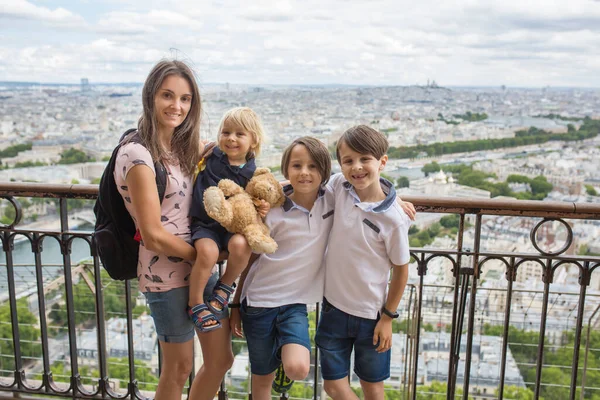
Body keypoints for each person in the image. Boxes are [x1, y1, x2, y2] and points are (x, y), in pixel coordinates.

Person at [229, 136, 416, 400]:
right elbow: (251, 260)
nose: (305, 173)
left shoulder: (332, 195)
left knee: (298, 367)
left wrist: (396, 200)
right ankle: (279, 357)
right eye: (296, 166)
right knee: (261, 380)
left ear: (325, 172)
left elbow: (369, 188)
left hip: (297, 303)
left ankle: (284, 356)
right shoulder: (271, 209)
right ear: (286, 170)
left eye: (313, 167)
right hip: (259, 301)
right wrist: (236, 304)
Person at [115, 59, 232, 400]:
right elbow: (152, 234)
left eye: (185, 99)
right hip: (164, 274)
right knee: (178, 368)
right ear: (150, 96)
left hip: (199, 268)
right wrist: (208, 255)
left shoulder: (183, 148)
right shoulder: (137, 154)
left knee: (221, 359)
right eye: (168, 95)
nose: (176, 106)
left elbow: (243, 170)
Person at [315, 125, 411, 400]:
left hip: (373, 316)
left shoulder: (393, 218)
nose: (356, 167)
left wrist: (388, 317)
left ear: (382, 162)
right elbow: (303, 184)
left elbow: (401, 271)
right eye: (348, 160)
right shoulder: (339, 186)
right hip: (334, 309)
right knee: (333, 386)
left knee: (373, 390)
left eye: (364, 159)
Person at [188, 107, 266, 332]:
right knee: (208, 252)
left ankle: (225, 284)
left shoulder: (253, 173)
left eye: (239, 134)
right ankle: (195, 302)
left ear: (253, 140)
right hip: (205, 223)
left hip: (232, 227)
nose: (231, 138)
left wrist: (263, 205)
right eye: (226, 132)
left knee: (242, 245)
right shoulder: (211, 154)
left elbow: (258, 198)